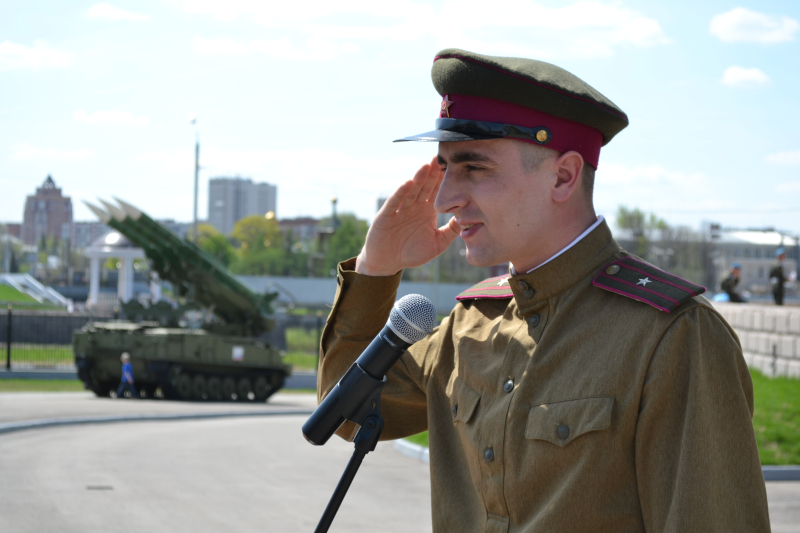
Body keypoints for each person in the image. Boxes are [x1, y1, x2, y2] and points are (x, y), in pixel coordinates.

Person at [318, 49, 770, 531]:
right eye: (445, 168)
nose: (446, 199)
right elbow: (346, 412)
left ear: (563, 176)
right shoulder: (471, 325)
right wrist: (375, 268)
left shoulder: (673, 336)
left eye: (473, 168)